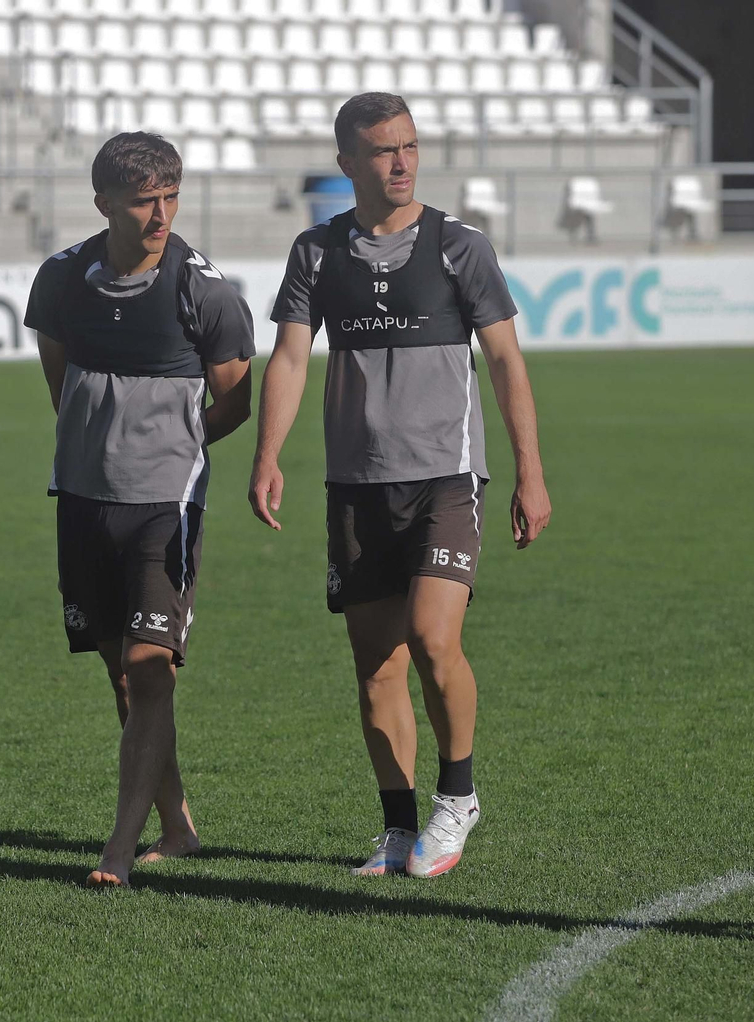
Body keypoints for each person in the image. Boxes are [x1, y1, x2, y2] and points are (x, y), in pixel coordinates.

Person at [248, 92, 551, 878]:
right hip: (356, 484)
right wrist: (267, 454)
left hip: (448, 477)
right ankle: (395, 827)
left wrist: (531, 473)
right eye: (384, 150)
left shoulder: (458, 246)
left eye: (410, 146)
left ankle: (459, 796)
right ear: (348, 163)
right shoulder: (316, 253)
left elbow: (509, 361)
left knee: (432, 636)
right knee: (375, 662)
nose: (402, 161)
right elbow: (286, 357)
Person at [25, 132, 254, 888]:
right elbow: (59, 379)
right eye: (143, 199)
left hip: (166, 507)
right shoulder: (61, 279)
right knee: (122, 677)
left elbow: (234, 398)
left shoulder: (204, 290)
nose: (161, 213)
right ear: (104, 204)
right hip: (84, 501)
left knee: (151, 666)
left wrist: (176, 450)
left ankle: (119, 849)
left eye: (170, 196)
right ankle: (178, 825)